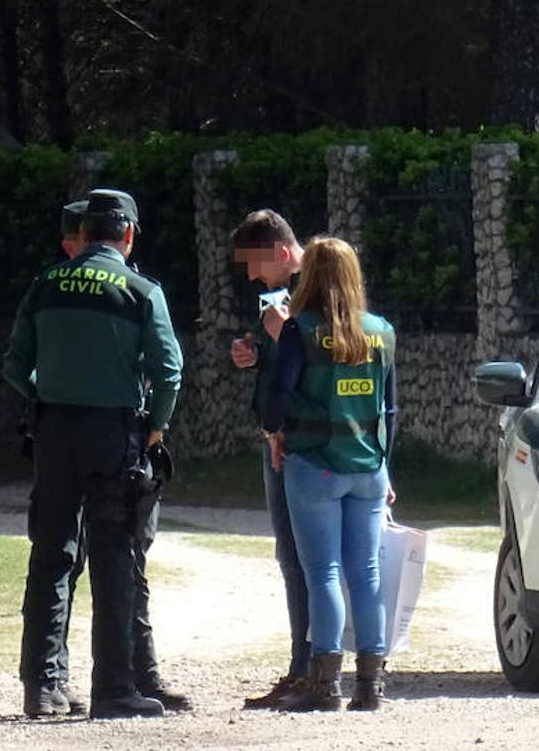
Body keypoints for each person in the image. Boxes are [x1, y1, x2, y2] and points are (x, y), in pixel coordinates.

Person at [4, 189, 184, 719]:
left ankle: (43, 685)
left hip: (55, 432)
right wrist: (155, 428)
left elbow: (15, 365)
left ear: (83, 236)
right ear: (127, 234)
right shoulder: (140, 289)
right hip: (114, 433)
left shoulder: (45, 284)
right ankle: (114, 689)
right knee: (114, 556)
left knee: (52, 553)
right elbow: (168, 370)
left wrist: (48, 391)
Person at [261, 236, 397, 712]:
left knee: (323, 573)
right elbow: (389, 409)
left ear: (311, 276)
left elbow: (276, 397)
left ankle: (325, 685)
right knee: (367, 572)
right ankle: (371, 686)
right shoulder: (381, 331)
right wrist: (386, 464)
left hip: (314, 465)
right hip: (369, 467)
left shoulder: (300, 330)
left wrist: (273, 432)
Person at [229, 209, 312, 708]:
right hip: (278, 436)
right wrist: (252, 351)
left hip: (303, 441)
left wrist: (280, 339)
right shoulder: (276, 296)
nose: (252, 276)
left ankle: (312, 668)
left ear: (281, 253)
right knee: (291, 555)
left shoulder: (318, 291)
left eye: (256, 264)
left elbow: (322, 358)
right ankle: (302, 665)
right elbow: (278, 356)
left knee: (309, 559)